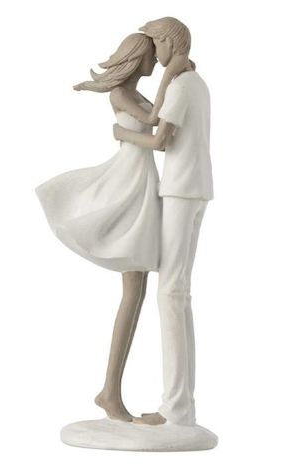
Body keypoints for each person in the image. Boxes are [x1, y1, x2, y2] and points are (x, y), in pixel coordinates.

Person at [36, 33, 176, 422]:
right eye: (151, 57)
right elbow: (155, 121)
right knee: (133, 289)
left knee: (137, 289)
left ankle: (110, 391)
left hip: (142, 182)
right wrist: (174, 76)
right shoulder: (120, 94)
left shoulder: (133, 93)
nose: (156, 63)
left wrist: (132, 130)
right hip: (128, 183)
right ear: (137, 58)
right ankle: (110, 391)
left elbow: (160, 132)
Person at [113, 17, 214, 426]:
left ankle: (175, 408)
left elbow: (159, 139)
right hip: (196, 187)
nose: (155, 52)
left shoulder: (181, 84)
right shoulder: (196, 82)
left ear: (170, 42)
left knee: (171, 294)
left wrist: (121, 135)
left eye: (157, 43)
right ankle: (182, 406)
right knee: (179, 295)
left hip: (180, 189)